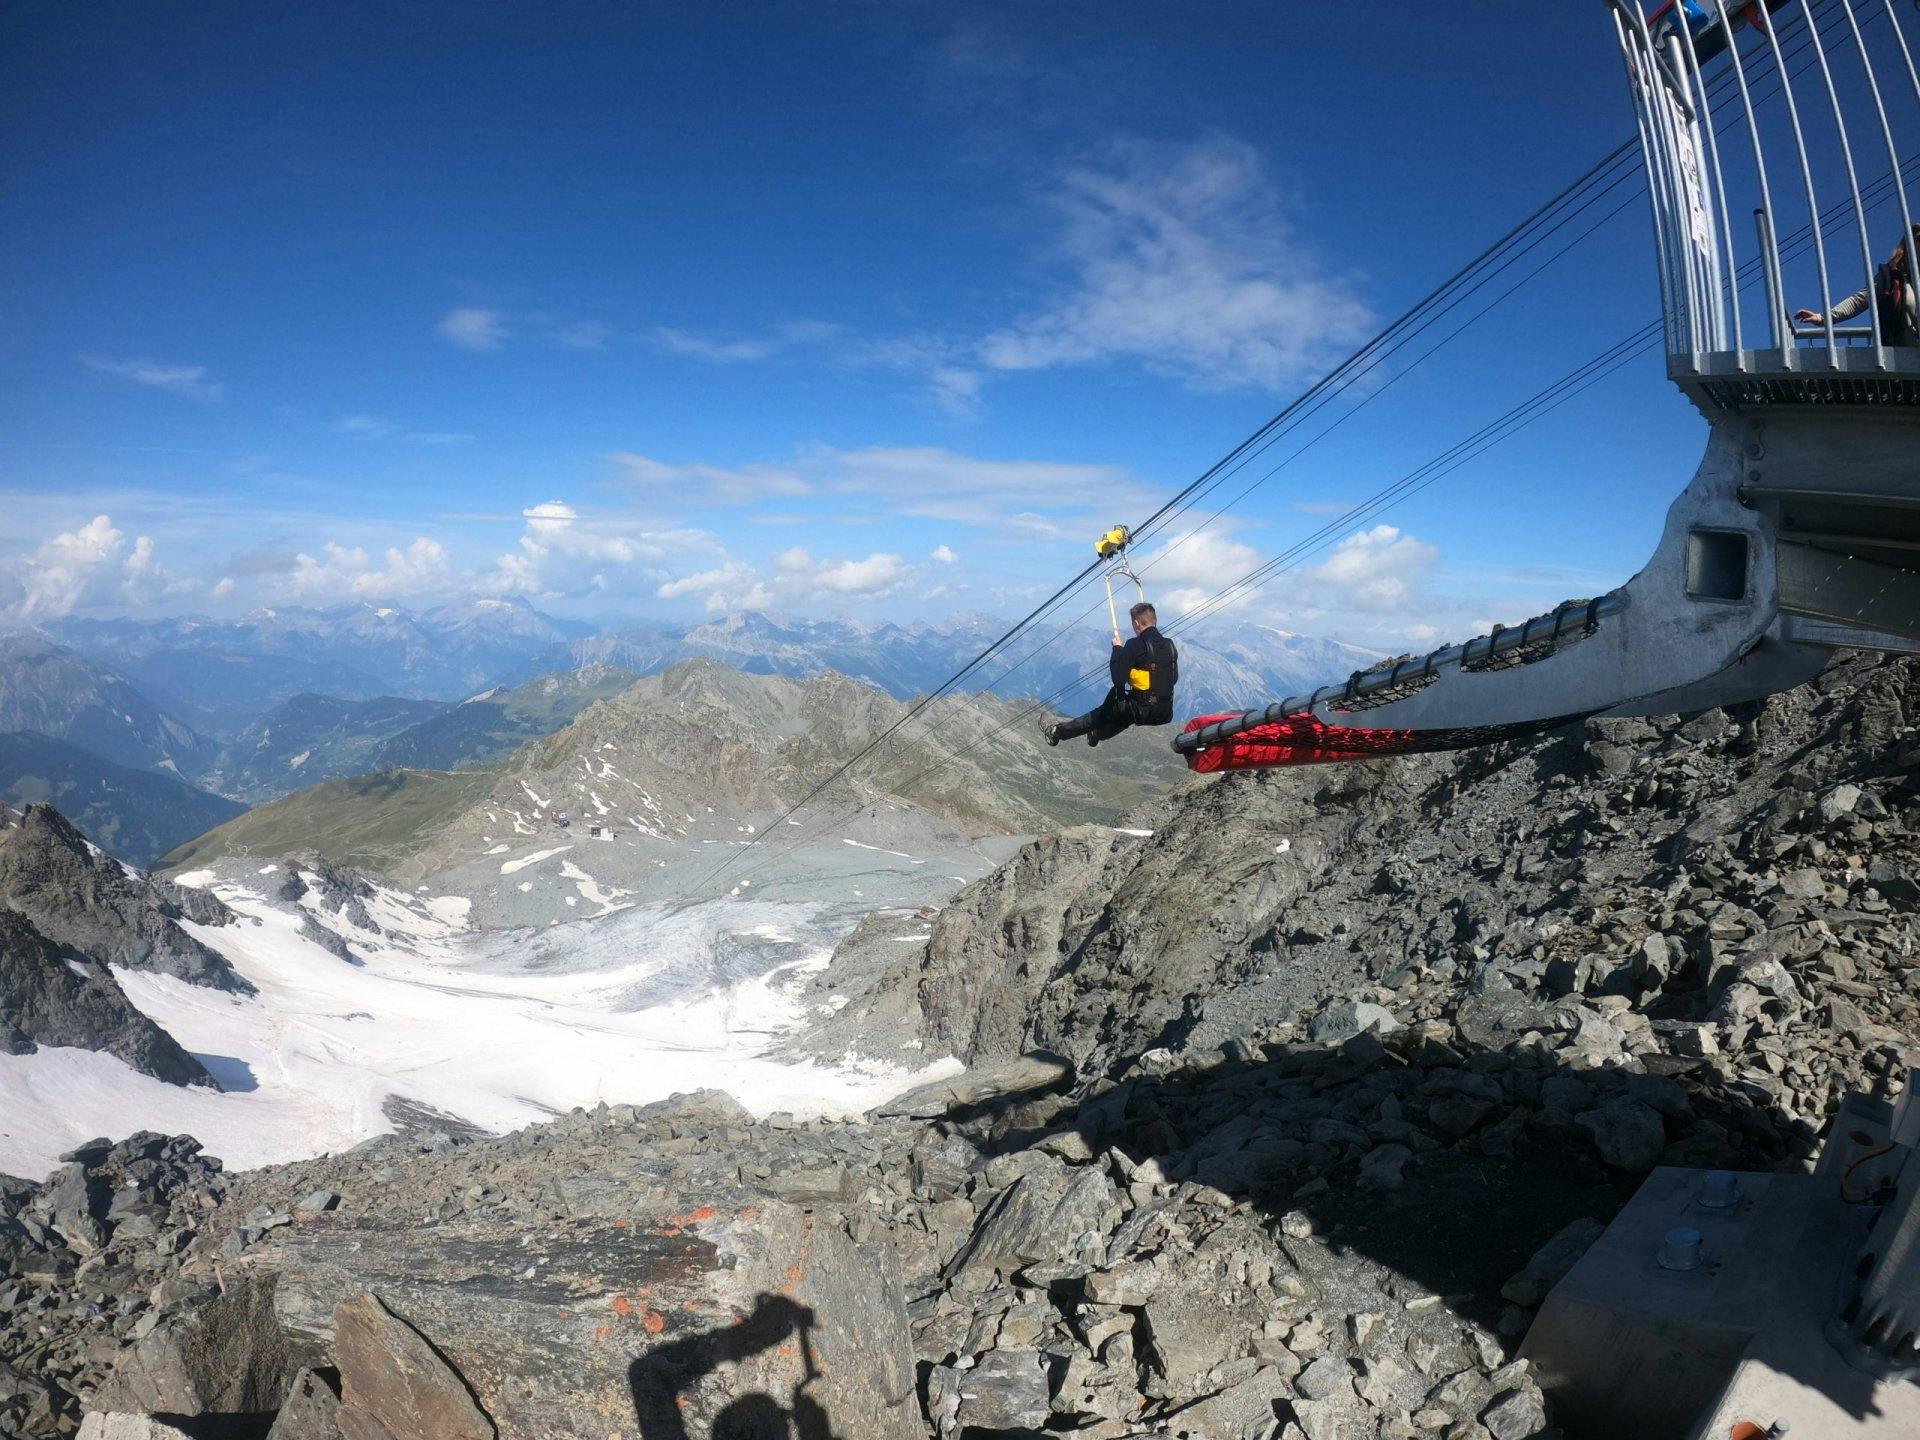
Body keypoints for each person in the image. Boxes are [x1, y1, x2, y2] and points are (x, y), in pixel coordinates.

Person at [1042, 601, 1178, 748]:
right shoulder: (1170, 645)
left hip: (1141, 711)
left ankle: (1056, 732)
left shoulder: (1134, 644)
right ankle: (1097, 734)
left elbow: (1118, 679)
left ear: (1136, 623)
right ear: (1154, 621)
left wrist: (1117, 649)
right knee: (1123, 715)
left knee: (1108, 707)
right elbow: (1173, 678)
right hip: (1165, 713)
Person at [1796, 223, 1920, 347]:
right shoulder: (1891, 277)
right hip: (1902, 354)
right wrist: (1822, 318)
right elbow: (1858, 301)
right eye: (1919, 239)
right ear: (1908, 245)